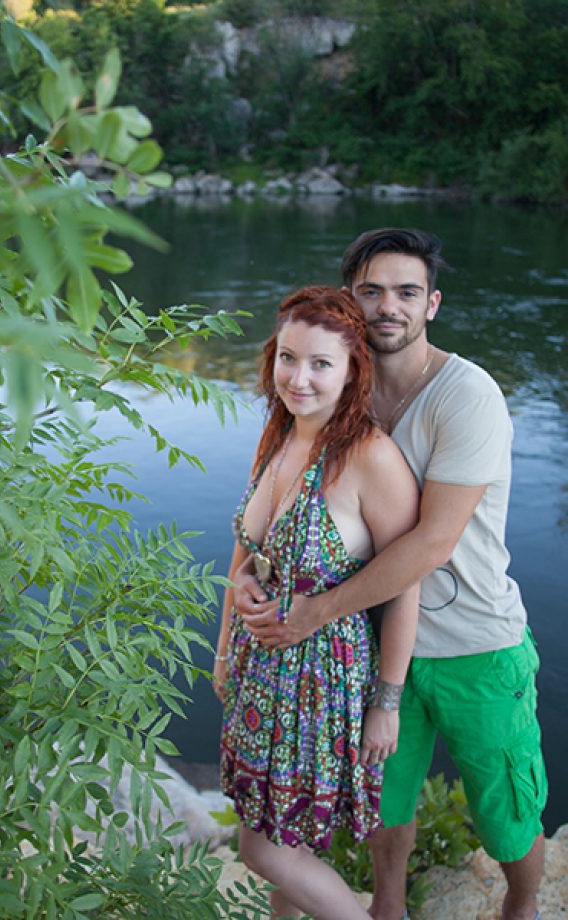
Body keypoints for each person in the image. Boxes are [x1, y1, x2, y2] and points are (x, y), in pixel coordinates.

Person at [235, 229, 547, 920]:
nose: (388, 307)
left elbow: (430, 543)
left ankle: (523, 906)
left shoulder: (468, 397)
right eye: (371, 290)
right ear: (350, 299)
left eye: (406, 292)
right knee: (387, 806)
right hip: (377, 648)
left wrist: (312, 613)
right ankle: (387, 908)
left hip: (474, 642)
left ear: (431, 303)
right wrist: (249, 582)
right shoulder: (340, 389)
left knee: (505, 809)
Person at [214, 285, 420, 920]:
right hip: (259, 670)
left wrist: (387, 703)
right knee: (282, 833)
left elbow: (404, 582)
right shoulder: (278, 432)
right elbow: (249, 548)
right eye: (287, 358)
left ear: (354, 368)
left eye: (320, 364)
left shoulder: (368, 457)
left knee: (263, 851)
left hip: (319, 681)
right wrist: (225, 643)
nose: (298, 378)